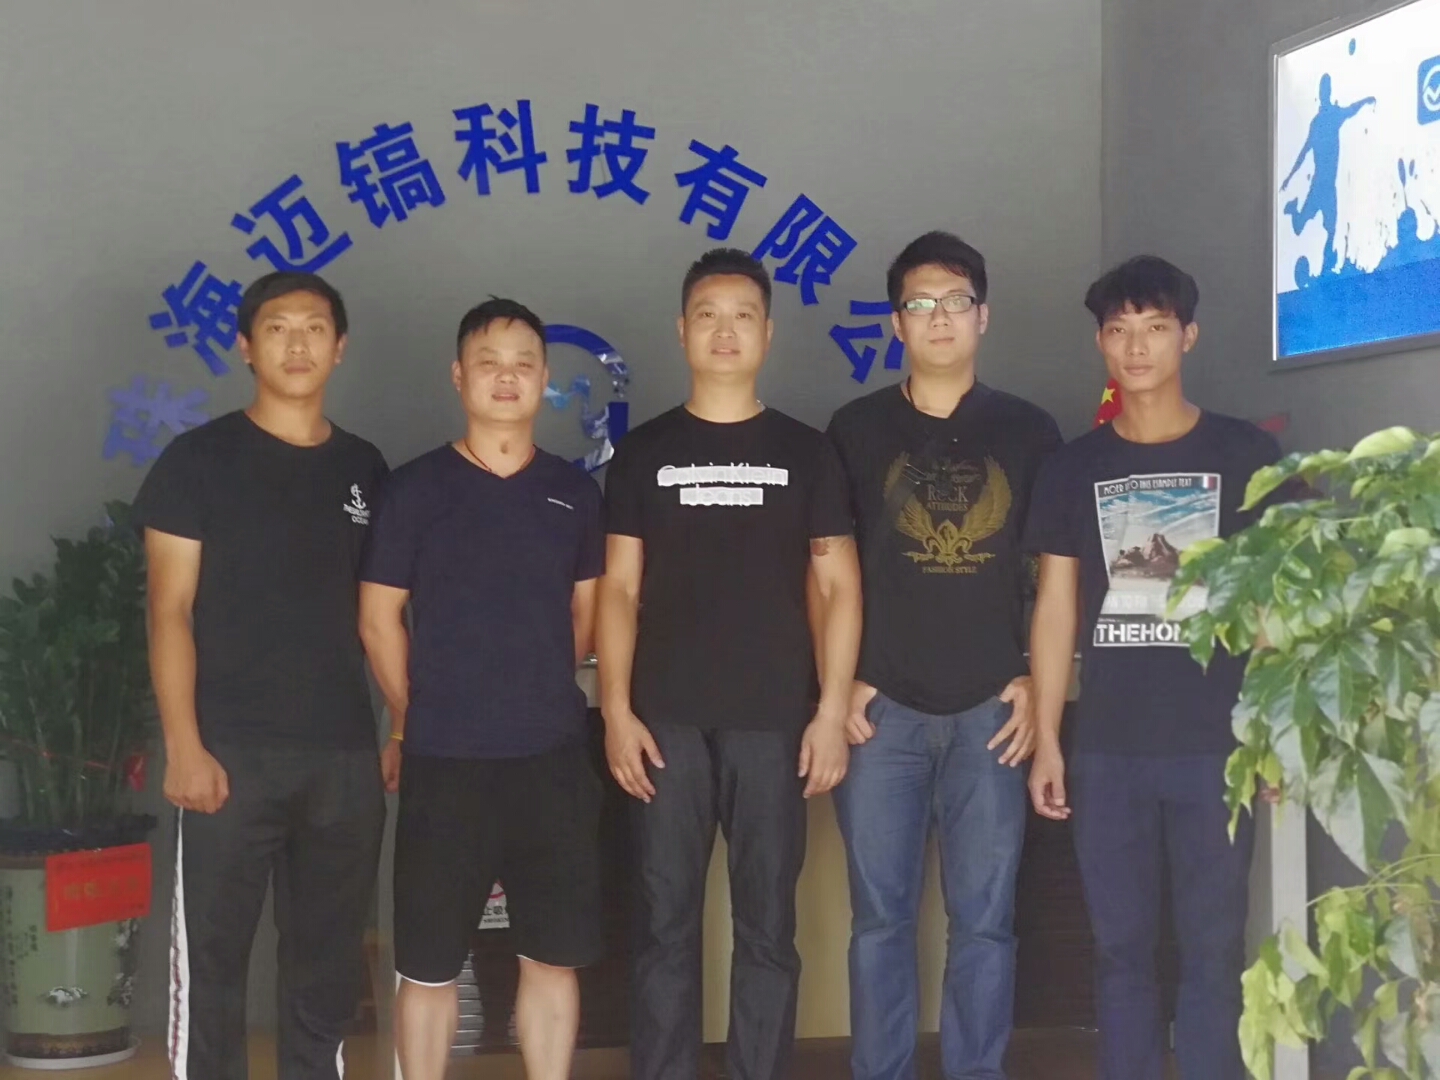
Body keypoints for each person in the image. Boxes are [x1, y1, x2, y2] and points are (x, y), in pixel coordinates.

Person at [597, 248, 862, 1080]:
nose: (725, 330)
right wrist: (615, 710)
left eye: (743, 315)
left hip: (774, 721)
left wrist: (830, 711)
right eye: (708, 314)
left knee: (767, 929)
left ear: (767, 334)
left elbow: (839, 585)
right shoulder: (643, 451)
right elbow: (617, 588)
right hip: (664, 723)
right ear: (682, 330)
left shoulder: (807, 451)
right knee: (663, 927)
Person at [1024, 256, 1282, 1080]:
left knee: (1214, 949)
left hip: (1217, 746)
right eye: (1120, 330)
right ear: (1101, 342)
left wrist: (1270, 735)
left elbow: (1273, 608)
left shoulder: (1247, 455)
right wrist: (1049, 738)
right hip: (1109, 750)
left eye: (1156, 328)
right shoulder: (1072, 468)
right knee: (1119, 951)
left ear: (1188, 336)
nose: (1137, 347)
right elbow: (1055, 608)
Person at [136, 271, 388, 1080]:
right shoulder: (197, 461)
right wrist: (184, 745)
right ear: (246, 347)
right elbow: (169, 611)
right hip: (228, 755)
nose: (297, 343)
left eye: (314, 328)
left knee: (325, 967)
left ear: (339, 348)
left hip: (342, 755)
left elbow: (383, 616)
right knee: (213, 965)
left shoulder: (364, 468)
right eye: (278, 328)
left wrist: (402, 725)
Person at [825, 231, 1061, 1080]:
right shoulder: (854, 430)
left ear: (982, 316)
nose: (938, 318)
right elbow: (826, 571)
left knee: (986, 922)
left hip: (992, 710)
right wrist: (838, 685)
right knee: (878, 921)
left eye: (955, 301)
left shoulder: (1029, 432)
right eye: (919, 304)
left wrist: (1036, 679)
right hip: (879, 711)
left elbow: (1054, 577)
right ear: (896, 322)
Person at [359, 298, 605, 1080]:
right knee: (429, 963)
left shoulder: (574, 494)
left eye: (524, 364)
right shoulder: (414, 490)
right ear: (458, 376)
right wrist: (417, 715)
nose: (507, 377)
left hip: (551, 757)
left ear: (544, 379)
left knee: (552, 956)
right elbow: (378, 620)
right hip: (444, 761)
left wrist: (529, 685)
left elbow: (587, 617)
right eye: (488, 363)